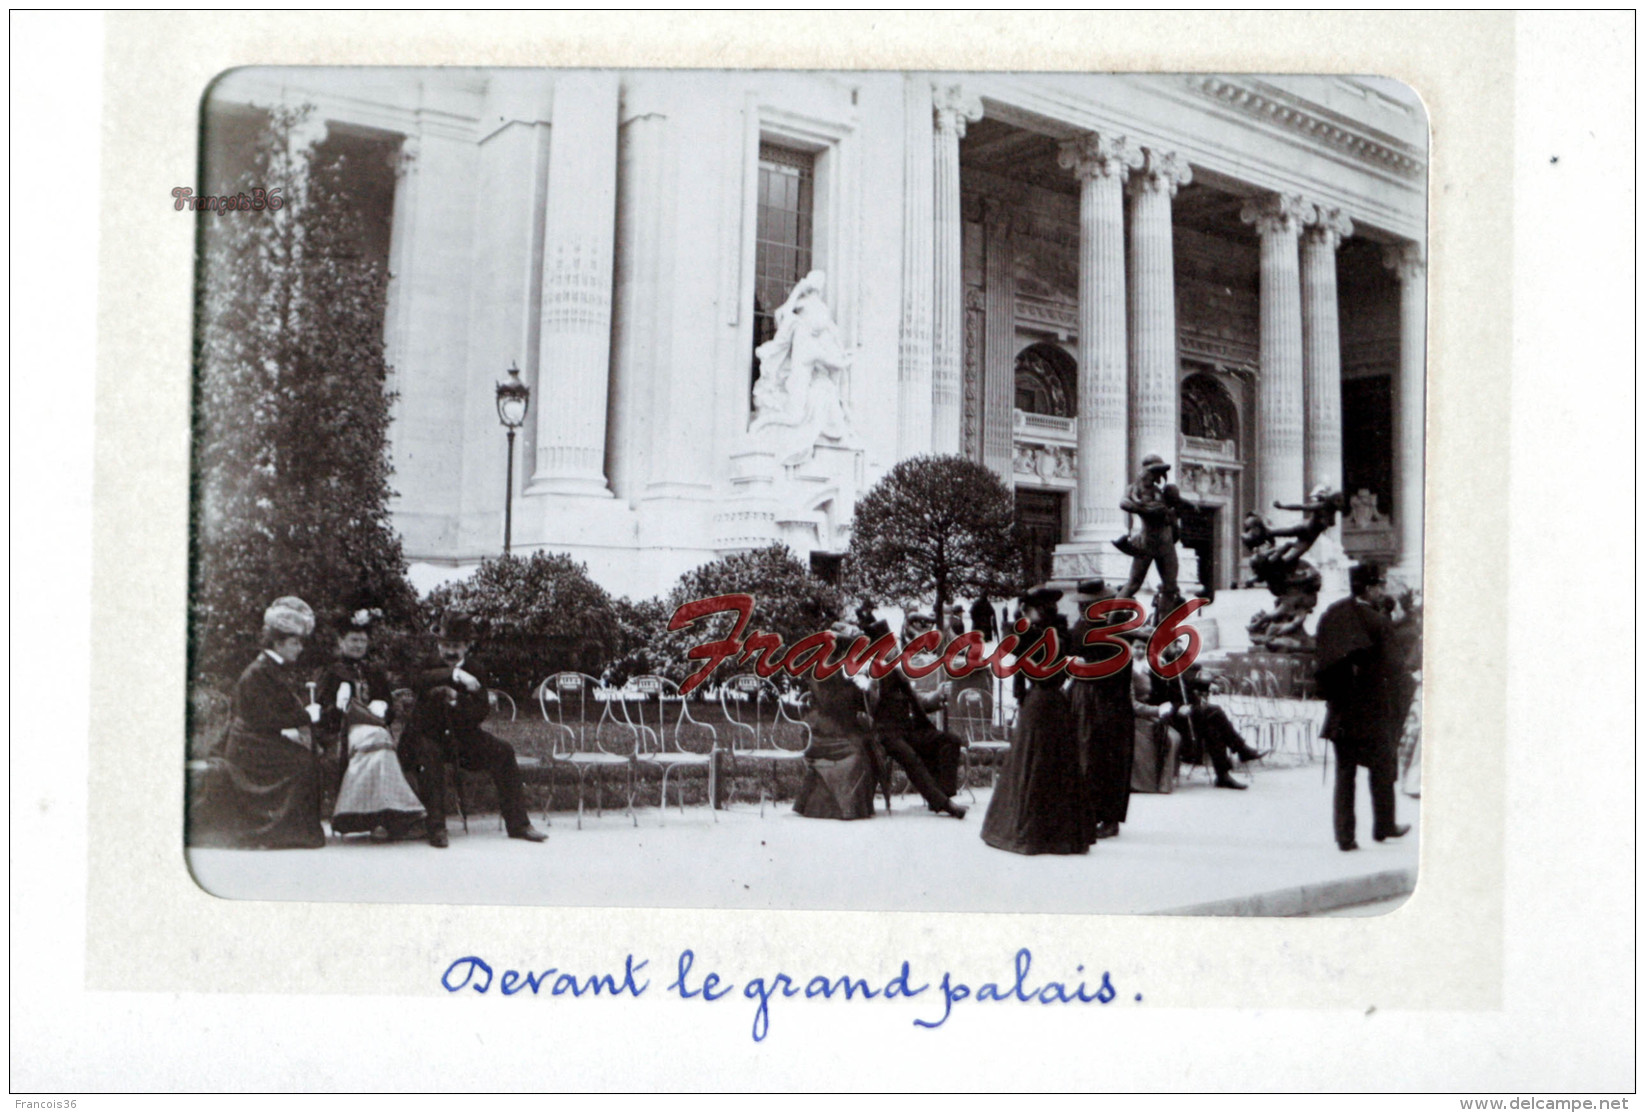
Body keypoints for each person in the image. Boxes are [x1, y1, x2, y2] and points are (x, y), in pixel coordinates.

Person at [398, 610, 548, 847]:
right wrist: (455, 674)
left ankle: (519, 824)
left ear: (467, 646)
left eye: (456, 645)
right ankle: (436, 828)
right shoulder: (427, 664)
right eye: (445, 645)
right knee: (429, 754)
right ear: (438, 645)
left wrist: (457, 700)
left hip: (461, 738)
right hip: (425, 736)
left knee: (504, 751)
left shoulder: (477, 669)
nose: (449, 651)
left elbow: (480, 711)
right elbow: (416, 680)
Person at [191, 596, 327, 849]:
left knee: (305, 758)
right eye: (294, 642)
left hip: (257, 740)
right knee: (303, 762)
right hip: (249, 746)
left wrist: (300, 720)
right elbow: (264, 719)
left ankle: (291, 831)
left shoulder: (271, 668)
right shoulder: (258, 672)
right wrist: (306, 716)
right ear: (278, 643)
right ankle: (278, 833)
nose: (299, 648)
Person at [982, 586, 1096, 855]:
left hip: (1038, 704)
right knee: (1057, 765)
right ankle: (1061, 835)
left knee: (1032, 764)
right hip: (1056, 703)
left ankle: (1031, 833)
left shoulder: (1032, 636)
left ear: (1036, 611)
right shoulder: (1059, 634)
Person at [1314, 563, 1415, 851]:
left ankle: (1345, 837)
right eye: (1380, 586)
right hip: (1373, 711)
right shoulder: (1378, 622)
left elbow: (1320, 660)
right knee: (1382, 767)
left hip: (1341, 712)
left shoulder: (1332, 614)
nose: (1383, 590)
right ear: (1370, 589)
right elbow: (1395, 670)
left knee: (1344, 774)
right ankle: (1384, 825)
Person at [314, 608, 426, 841]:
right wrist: (338, 706)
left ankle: (384, 817)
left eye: (362, 640)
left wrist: (383, 708)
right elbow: (322, 716)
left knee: (380, 742)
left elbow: (390, 712)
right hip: (343, 733)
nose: (358, 645)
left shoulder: (373, 671)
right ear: (341, 641)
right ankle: (384, 817)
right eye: (353, 640)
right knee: (379, 743)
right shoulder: (332, 672)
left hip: (375, 730)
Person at [866, 613, 968, 819]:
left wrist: (936, 696)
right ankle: (943, 803)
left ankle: (943, 795)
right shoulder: (874, 673)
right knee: (911, 758)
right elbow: (870, 706)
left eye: (894, 644)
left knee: (949, 741)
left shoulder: (896, 670)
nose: (895, 648)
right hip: (887, 735)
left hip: (908, 729)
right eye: (890, 646)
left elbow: (916, 701)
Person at [792, 622, 884, 820]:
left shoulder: (841, 670)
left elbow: (863, 703)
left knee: (868, 745)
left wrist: (869, 687)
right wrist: (854, 688)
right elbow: (831, 703)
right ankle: (842, 808)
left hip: (839, 729)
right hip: (822, 732)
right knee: (856, 751)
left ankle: (857, 806)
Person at [1067, 579, 1136, 839]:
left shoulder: (1107, 628)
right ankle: (1099, 815)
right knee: (1097, 758)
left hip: (1106, 699)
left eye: (1087, 604)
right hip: (1098, 698)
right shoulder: (1098, 626)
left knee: (1104, 758)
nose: (1082, 608)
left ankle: (1106, 817)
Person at [1118, 454, 1182, 605]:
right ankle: (1110, 622)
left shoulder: (1163, 491)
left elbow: (1177, 506)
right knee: (1133, 584)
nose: (1158, 475)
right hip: (1147, 544)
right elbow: (1124, 503)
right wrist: (1146, 509)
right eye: (1155, 471)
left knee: (1170, 586)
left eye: (1160, 472)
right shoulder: (1135, 489)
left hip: (1166, 545)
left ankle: (1165, 625)